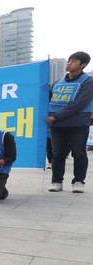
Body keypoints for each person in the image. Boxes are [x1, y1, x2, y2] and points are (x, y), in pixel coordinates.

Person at [46, 51, 93, 193]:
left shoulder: (88, 82)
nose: (69, 63)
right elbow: (46, 101)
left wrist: (56, 117)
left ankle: (78, 181)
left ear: (83, 65)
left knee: (78, 153)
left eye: (74, 61)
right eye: (69, 60)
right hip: (57, 126)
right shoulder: (56, 83)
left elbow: (80, 103)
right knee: (57, 154)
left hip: (77, 125)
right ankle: (56, 181)